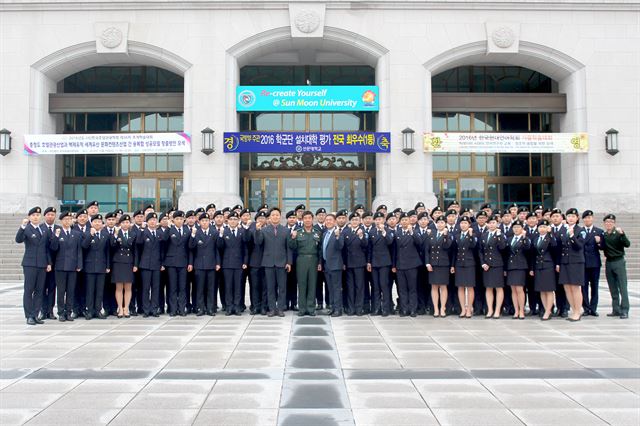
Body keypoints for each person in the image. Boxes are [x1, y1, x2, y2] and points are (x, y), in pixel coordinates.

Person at [15, 207, 52, 325]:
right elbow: (18, 240)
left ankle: (36, 314)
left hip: (41, 264)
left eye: (38, 215)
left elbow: (46, 249)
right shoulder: (27, 229)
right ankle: (29, 315)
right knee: (29, 290)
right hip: (30, 264)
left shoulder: (43, 230)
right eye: (33, 215)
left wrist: (48, 263)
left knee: (39, 290)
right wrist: (22, 227)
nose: (36, 217)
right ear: (29, 217)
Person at [255, 207, 292, 317]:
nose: (275, 217)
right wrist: (257, 230)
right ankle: (271, 309)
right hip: (268, 263)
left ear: (280, 217)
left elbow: (288, 248)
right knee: (270, 287)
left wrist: (289, 262)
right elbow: (258, 242)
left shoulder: (286, 230)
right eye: (273, 215)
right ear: (269, 218)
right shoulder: (264, 230)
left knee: (282, 287)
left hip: (282, 263)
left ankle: (280, 308)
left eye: (277, 215)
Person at [49, 211, 83, 322]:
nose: (67, 221)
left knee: (70, 291)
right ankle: (61, 312)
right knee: (61, 291)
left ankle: (69, 312)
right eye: (65, 219)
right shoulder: (57, 233)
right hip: (60, 266)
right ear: (61, 221)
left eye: (69, 219)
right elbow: (53, 248)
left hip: (73, 267)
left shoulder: (76, 234)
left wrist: (79, 264)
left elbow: (79, 251)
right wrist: (56, 236)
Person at [288, 210, 322, 316]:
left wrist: (320, 262)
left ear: (312, 219)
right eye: (305, 218)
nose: (307, 220)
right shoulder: (298, 232)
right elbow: (292, 247)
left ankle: (311, 308)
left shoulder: (317, 232)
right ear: (302, 220)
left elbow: (320, 250)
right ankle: (302, 308)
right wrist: (292, 238)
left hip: (314, 260)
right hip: (301, 260)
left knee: (312, 284)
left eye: (309, 218)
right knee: (302, 284)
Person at [217, 211, 249, 316]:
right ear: (228, 221)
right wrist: (220, 235)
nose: (233, 221)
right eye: (231, 219)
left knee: (238, 286)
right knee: (228, 286)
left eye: (235, 219)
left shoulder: (242, 231)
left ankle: (237, 306)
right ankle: (229, 307)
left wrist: (245, 261)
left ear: (238, 221)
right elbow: (219, 247)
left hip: (239, 263)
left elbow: (245, 248)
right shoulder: (224, 231)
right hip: (227, 264)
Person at [557, 208, 585, 322]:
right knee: (567, 287)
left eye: (573, 216)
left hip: (576, 262)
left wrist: (572, 236)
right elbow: (560, 247)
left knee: (575, 287)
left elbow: (579, 246)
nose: (571, 218)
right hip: (565, 261)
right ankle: (573, 310)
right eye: (569, 216)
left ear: (577, 218)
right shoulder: (563, 230)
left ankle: (578, 311)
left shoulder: (581, 230)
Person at [190, 213, 221, 316]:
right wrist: (193, 236)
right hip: (199, 265)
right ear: (199, 222)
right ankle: (201, 308)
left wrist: (218, 263)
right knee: (200, 288)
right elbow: (191, 247)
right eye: (202, 221)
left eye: (206, 220)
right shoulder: (196, 232)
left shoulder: (214, 232)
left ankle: (210, 308)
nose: (204, 222)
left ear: (209, 221)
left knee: (211, 288)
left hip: (211, 264)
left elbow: (217, 249)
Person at [393, 212, 423, 317]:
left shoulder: (415, 232)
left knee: (412, 288)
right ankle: (404, 309)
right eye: (402, 220)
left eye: (406, 220)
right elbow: (394, 251)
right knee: (402, 288)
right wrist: (394, 265)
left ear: (410, 221)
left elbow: (420, 243)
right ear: (399, 222)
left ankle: (413, 309)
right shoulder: (397, 233)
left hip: (412, 264)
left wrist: (412, 232)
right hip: (400, 264)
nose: (404, 222)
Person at [162, 210, 191, 317]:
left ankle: (182, 308)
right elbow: (164, 240)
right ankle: (173, 309)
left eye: (181, 219)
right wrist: (169, 227)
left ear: (184, 220)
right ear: (173, 220)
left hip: (183, 262)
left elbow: (190, 248)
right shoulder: (170, 230)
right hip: (171, 262)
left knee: (183, 287)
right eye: (177, 219)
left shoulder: (188, 230)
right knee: (172, 287)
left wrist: (190, 262)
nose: (179, 221)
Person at [81, 214, 110, 320]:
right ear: (91, 223)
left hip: (101, 267)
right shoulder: (86, 234)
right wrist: (90, 235)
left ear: (102, 224)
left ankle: (98, 310)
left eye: (99, 222)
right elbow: (84, 246)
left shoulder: (105, 234)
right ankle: (90, 311)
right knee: (90, 290)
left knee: (99, 290)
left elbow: (107, 252)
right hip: (89, 267)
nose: (97, 223)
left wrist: (108, 265)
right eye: (95, 222)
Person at [602, 214, 631, 319]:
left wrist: (623, 234)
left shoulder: (618, 233)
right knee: (612, 287)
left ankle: (625, 309)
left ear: (614, 223)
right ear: (604, 224)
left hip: (618, 261)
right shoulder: (604, 235)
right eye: (607, 222)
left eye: (611, 222)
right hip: (609, 262)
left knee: (622, 287)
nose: (608, 224)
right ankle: (616, 309)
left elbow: (627, 244)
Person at [136, 212, 164, 317]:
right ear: (147, 222)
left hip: (157, 264)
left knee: (156, 288)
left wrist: (162, 263)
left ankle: (154, 309)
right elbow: (138, 243)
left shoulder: (159, 233)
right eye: (151, 220)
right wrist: (141, 230)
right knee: (145, 288)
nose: (153, 222)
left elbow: (162, 250)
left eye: (154, 220)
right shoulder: (143, 232)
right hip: (145, 265)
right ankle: (146, 309)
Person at [479, 214, 507, 319]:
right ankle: (490, 309)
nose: (491, 225)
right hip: (487, 265)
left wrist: (499, 236)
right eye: (490, 223)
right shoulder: (484, 235)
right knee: (489, 288)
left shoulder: (501, 234)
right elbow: (480, 251)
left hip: (497, 265)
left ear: (497, 224)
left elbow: (503, 248)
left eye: (494, 223)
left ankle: (497, 310)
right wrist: (483, 262)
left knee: (499, 288)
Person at [425, 216, 453, 318]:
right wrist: (427, 263)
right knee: (434, 286)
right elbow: (427, 250)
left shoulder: (448, 235)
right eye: (438, 222)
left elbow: (447, 246)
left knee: (443, 286)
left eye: (442, 222)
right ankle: (436, 308)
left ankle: (443, 308)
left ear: (445, 224)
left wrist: (445, 235)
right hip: (433, 264)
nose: (440, 224)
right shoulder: (431, 234)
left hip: (443, 264)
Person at [368, 212, 394, 316]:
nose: (379, 221)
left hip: (384, 263)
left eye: (380, 219)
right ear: (374, 221)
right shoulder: (372, 231)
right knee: (376, 286)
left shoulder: (387, 231)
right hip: (374, 262)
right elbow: (369, 248)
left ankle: (386, 308)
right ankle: (376, 308)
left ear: (384, 220)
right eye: (377, 220)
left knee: (384, 285)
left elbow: (390, 242)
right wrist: (369, 262)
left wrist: (383, 231)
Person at [531, 219, 557, 321]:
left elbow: (554, 247)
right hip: (538, 266)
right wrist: (532, 268)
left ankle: (548, 310)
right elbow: (533, 254)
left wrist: (550, 234)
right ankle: (546, 309)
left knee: (549, 289)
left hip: (547, 265)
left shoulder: (550, 238)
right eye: (541, 227)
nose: (542, 229)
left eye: (544, 227)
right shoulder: (536, 238)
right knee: (541, 289)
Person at [343, 213, 369, 316]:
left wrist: (361, 236)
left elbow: (366, 246)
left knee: (359, 287)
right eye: (353, 220)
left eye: (356, 220)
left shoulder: (363, 231)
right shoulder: (346, 232)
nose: (354, 222)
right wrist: (344, 263)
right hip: (349, 263)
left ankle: (359, 308)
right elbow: (343, 249)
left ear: (360, 221)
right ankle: (351, 308)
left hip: (359, 263)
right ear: (350, 221)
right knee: (350, 287)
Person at [110, 214, 135, 318]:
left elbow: (135, 251)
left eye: (127, 222)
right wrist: (115, 235)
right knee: (119, 287)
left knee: (128, 287)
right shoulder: (116, 233)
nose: (125, 224)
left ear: (130, 224)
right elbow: (112, 246)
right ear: (120, 224)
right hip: (118, 262)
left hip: (129, 262)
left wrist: (136, 264)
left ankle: (126, 308)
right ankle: (120, 308)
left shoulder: (133, 234)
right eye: (123, 222)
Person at [452, 216, 477, 318]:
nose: (463, 225)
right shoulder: (456, 236)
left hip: (469, 264)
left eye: (465, 223)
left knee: (470, 287)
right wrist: (453, 265)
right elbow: (454, 251)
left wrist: (470, 235)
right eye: (462, 223)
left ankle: (469, 308)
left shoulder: (473, 235)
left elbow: (473, 246)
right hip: (459, 264)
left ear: (469, 225)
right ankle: (463, 309)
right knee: (460, 287)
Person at [321, 214, 345, 317]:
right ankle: (332, 307)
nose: (328, 222)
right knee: (330, 288)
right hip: (327, 265)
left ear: (335, 221)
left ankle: (338, 309)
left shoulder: (338, 232)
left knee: (336, 288)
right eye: (327, 220)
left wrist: (337, 236)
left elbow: (340, 246)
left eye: (330, 220)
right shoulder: (325, 233)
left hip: (335, 265)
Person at [581, 210, 605, 316]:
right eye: (585, 218)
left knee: (595, 286)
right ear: (583, 220)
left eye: (589, 218)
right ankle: (586, 308)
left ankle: (593, 308)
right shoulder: (580, 231)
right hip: (583, 263)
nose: (587, 219)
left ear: (593, 218)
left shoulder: (599, 231)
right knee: (584, 286)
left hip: (594, 263)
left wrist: (599, 242)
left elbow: (603, 247)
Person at [505, 220, 531, 320]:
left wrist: (524, 237)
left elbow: (527, 248)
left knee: (520, 289)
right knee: (513, 290)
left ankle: (521, 310)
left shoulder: (525, 239)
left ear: (522, 228)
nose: (516, 229)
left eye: (518, 227)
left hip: (520, 266)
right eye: (514, 227)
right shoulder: (509, 239)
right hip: (511, 266)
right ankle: (516, 310)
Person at [40, 206, 60, 320]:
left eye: (52, 214)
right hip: (43, 263)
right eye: (48, 214)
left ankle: (50, 310)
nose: (50, 216)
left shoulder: (58, 228)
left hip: (55, 263)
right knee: (42, 287)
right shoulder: (40, 228)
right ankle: (43, 311)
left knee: (52, 288)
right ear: (45, 216)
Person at [247, 211, 268, 315]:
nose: (261, 220)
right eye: (259, 218)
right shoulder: (251, 230)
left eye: (263, 218)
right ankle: (255, 306)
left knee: (265, 286)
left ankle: (264, 306)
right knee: (254, 286)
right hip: (254, 262)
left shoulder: (269, 230)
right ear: (256, 220)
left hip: (266, 262)